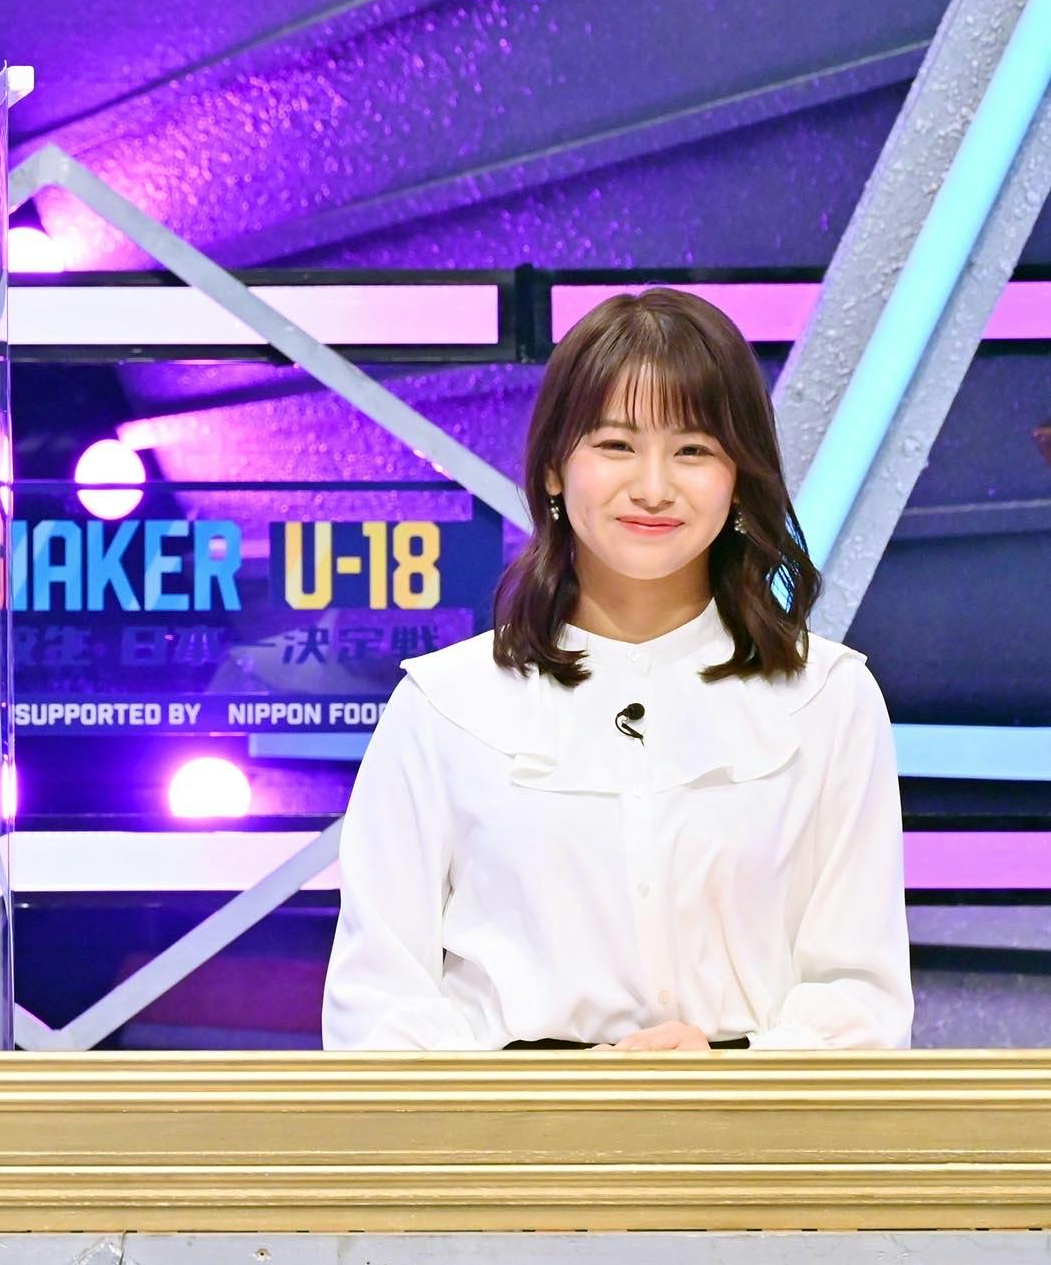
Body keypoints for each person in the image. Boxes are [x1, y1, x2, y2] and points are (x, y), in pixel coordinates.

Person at [322, 287, 911, 1051]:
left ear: (740, 477)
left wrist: (729, 1079)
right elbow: (375, 1010)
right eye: (616, 445)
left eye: (693, 450)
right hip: (504, 1119)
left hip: (756, 1117)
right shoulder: (443, 706)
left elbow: (864, 1001)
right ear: (555, 469)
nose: (654, 488)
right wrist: (554, 1095)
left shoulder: (828, 698)